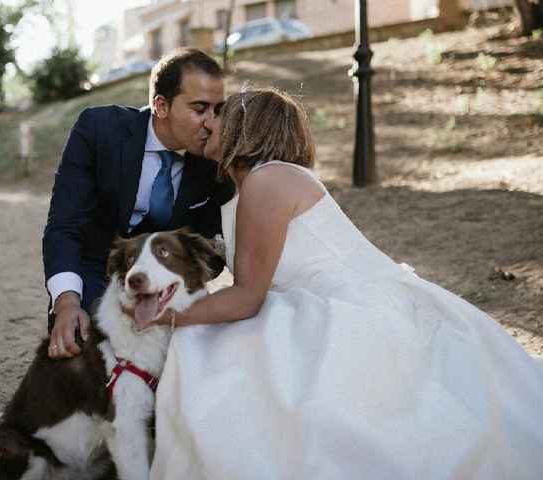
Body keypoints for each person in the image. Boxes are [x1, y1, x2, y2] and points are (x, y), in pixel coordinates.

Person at [145, 88, 543, 479]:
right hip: (322, 299)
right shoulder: (256, 184)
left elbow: (248, 296)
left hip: (349, 308)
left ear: (244, 126)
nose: (208, 120)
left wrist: (168, 315)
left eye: (220, 113)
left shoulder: (268, 180)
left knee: (211, 353)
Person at [43, 48, 235, 359]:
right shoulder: (98, 130)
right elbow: (64, 227)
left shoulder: (215, 159)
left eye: (218, 110)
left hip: (168, 286)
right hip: (96, 273)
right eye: (200, 109)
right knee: (87, 358)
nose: (212, 123)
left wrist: (168, 288)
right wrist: (66, 301)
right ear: (161, 105)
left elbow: (212, 252)